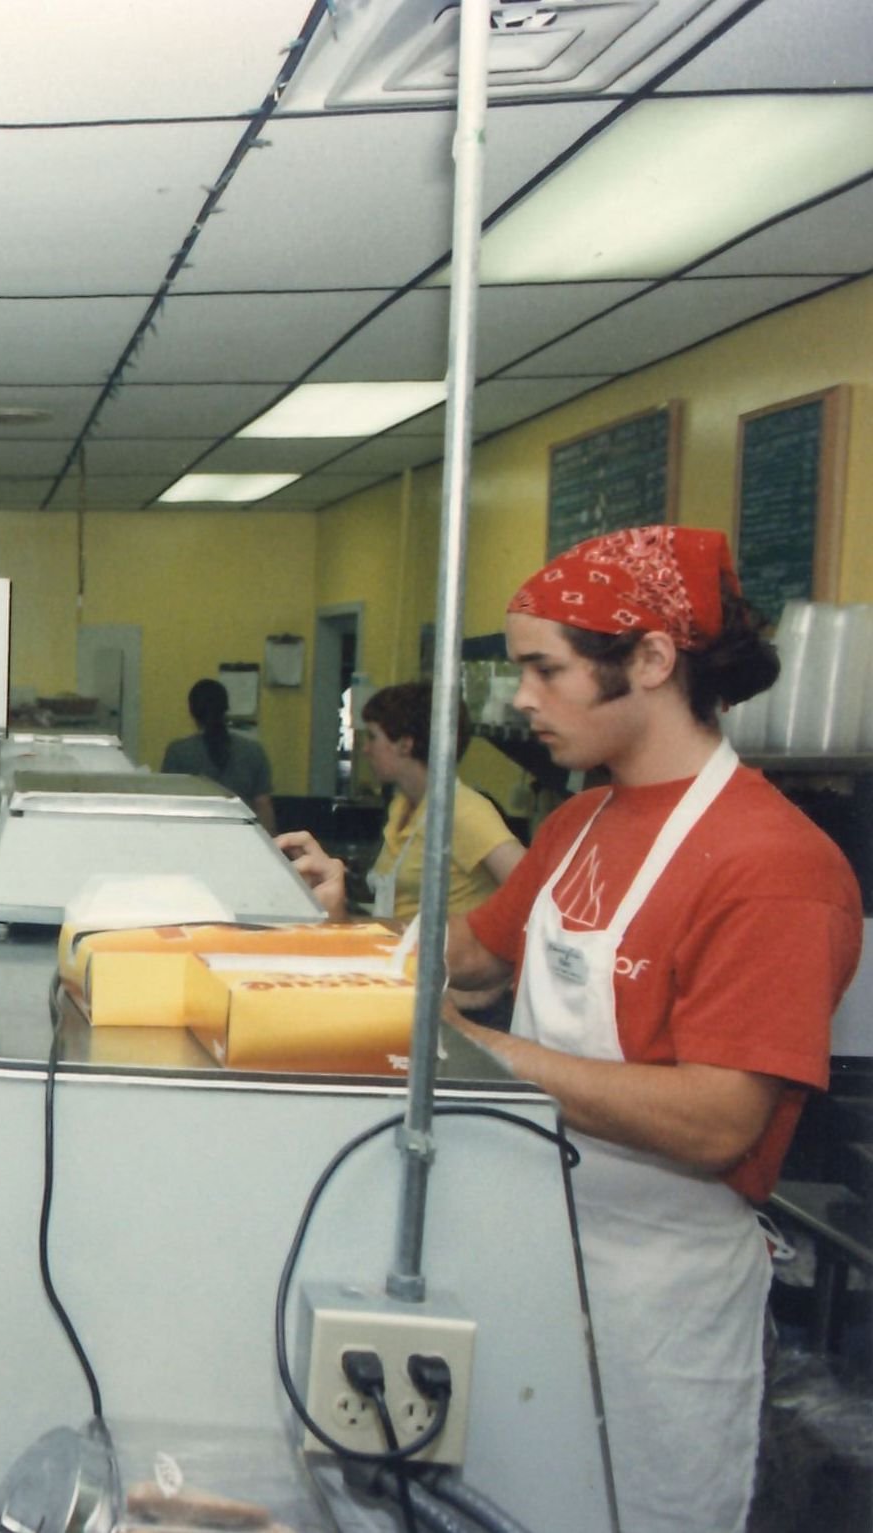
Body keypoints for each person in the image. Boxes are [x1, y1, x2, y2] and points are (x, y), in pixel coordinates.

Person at [295, 528, 858, 1533]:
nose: (520, 700)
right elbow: (462, 954)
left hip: (657, 1299)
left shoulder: (776, 865)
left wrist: (489, 1055)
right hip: (528, 1247)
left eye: (545, 670)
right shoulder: (579, 824)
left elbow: (720, 1121)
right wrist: (338, 933)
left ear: (649, 660)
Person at [356, 681, 524, 924]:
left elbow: (531, 889)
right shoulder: (402, 805)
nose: (366, 749)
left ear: (405, 744)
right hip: (404, 954)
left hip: (449, 960)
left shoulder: (463, 811)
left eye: (372, 737)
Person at [160, 678, 276, 832]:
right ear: (226, 708)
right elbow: (263, 806)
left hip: (193, 834)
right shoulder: (253, 751)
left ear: (192, 711)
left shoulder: (178, 752)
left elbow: (169, 804)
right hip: (244, 837)